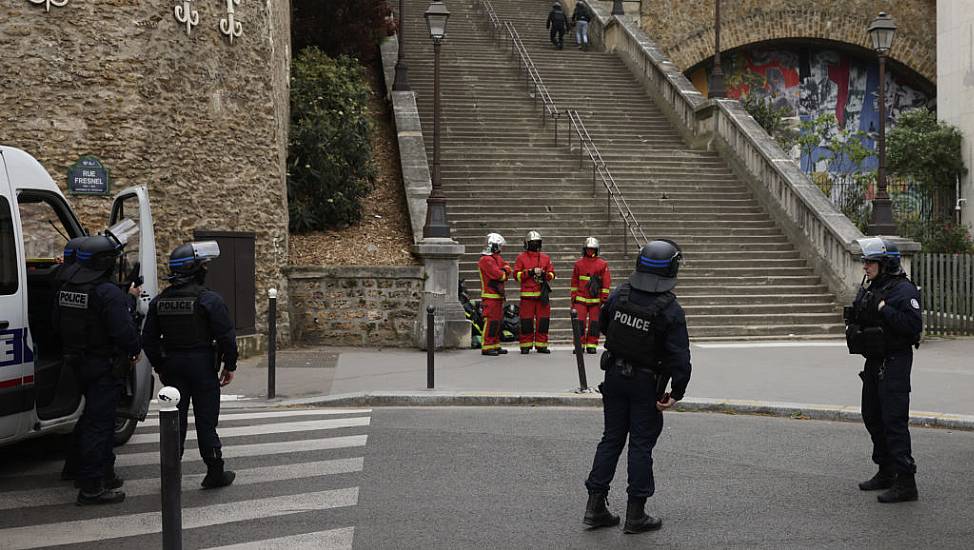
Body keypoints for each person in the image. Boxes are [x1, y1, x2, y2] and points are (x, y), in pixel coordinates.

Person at [583, 240, 691, 534]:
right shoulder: (670, 308)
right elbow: (680, 358)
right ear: (672, 268)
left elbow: (605, 325)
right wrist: (676, 393)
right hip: (646, 384)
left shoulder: (620, 294)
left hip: (615, 377)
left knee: (611, 439)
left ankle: (594, 508)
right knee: (641, 445)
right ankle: (636, 515)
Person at [53, 233, 141, 505]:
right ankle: (91, 486)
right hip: (104, 364)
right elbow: (124, 332)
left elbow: (55, 323)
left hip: (76, 361)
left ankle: (79, 468)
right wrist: (134, 349)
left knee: (90, 416)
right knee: (100, 424)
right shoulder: (107, 292)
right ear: (105, 263)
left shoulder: (66, 286)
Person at [142, 241, 238, 489]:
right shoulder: (209, 300)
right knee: (206, 422)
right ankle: (215, 471)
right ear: (194, 269)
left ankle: (171, 477)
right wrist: (229, 365)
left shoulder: (159, 302)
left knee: (174, 422)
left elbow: (148, 340)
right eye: (203, 265)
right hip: (202, 366)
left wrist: (161, 365)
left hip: (173, 366)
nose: (206, 269)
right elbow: (226, 336)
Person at [843, 237, 922, 503]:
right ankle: (886, 470)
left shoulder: (903, 290)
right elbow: (860, 314)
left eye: (870, 261)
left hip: (895, 361)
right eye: (865, 261)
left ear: (885, 263)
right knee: (872, 416)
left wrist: (884, 309)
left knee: (894, 421)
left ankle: (906, 481)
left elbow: (912, 327)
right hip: (874, 360)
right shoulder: (872, 287)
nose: (865, 266)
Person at [513, 231, 556, 354]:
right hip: (527, 296)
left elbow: (552, 274)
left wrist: (545, 274)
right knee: (526, 321)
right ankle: (525, 345)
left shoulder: (545, 258)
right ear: (527, 244)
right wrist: (530, 272)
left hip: (542, 295)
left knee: (543, 321)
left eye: (537, 242)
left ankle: (541, 345)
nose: (535, 244)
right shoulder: (521, 258)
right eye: (532, 243)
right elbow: (517, 276)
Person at [571, 237, 611, 353]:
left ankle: (591, 344)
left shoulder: (602, 264)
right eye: (588, 249)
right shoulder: (578, 264)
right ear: (585, 250)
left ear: (596, 250)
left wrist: (604, 298)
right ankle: (579, 345)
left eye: (592, 249)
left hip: (595, 300)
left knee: (595, 323)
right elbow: (574, 281)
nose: (590, 251)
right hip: (580, 299)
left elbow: (606, 282)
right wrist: (573, 296)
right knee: (580, 324)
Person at [477, 233, 512, 356]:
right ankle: (487, 346)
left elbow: (507, 268)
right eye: (499, 246)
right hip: (490, 296)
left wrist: (505, 270)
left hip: (497, 296)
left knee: (497, 322)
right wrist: (505, 272)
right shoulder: (486, 260)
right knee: (491, 322)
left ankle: (495, 344)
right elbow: (500, 275)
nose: (501, 249)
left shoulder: (496, 258)